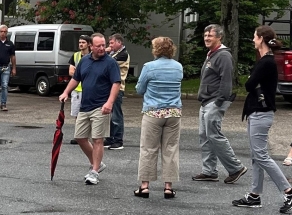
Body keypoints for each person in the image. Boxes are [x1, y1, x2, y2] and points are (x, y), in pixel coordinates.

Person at [232, 26, 292, 213]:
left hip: (261, 113)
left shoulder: (266, 62)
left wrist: (251, 80)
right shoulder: (265, 61)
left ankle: (289, 192)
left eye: (255, 37)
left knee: (261, 155)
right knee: (257, 156)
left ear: (262, 38)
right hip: (258, 112)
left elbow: (249, 85)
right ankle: (254, 195)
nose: (253, 40)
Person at [58, 33, 121, 185]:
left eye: (103, 45)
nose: (102, 48)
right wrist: (66, 92)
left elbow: (116, 83)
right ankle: (97, 163)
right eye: (98, 46)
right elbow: (76, 78)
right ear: (91, 46)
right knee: (80, 137)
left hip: (101, 107)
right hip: (85, 106)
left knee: (98, 139)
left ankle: (94, 171)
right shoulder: (84, 60)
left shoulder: (110, 63)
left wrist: (110, 103)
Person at [193, 24, 247, 184]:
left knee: (214, 136)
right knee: (205, 136)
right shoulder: (212, 54)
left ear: (219, 37)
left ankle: (236, 168)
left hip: (214, 102)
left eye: (210, 36)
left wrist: (219, 102)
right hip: (206, 101)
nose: (206, 38)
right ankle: (209, 171)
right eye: (205, 35)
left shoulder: (223, 56)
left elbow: (226, 81)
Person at [134, 37, 183, 199]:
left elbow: (140, 89)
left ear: (156, 49)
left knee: (148, 148)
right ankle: (168, 187)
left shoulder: (149, 67)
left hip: (153, 112)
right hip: (174, 112)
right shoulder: (178, 67)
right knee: (170, 149)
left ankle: (145, 186)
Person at [65, 35, 92, 145]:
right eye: (80, 42)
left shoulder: (93, 56)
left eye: (83, 42)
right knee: (77, 113)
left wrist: (78, 72)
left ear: (89, 44)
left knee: (89, 113)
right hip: (77, 89)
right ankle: (78, 135)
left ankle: (88, 136)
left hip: (88, 89)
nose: (81, 44)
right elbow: (71, 72)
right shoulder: (75, 56)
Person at [105, 34, 130, 150]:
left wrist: (103, 51)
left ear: (119, 43)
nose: (109, 46)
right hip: (109, 87)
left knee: (116, 115)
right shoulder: (113, 54)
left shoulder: (123, 55)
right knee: (109, 114)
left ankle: (118, 140)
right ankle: (110, 138)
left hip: (118, 88)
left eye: (111, 43)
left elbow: (108, 63)